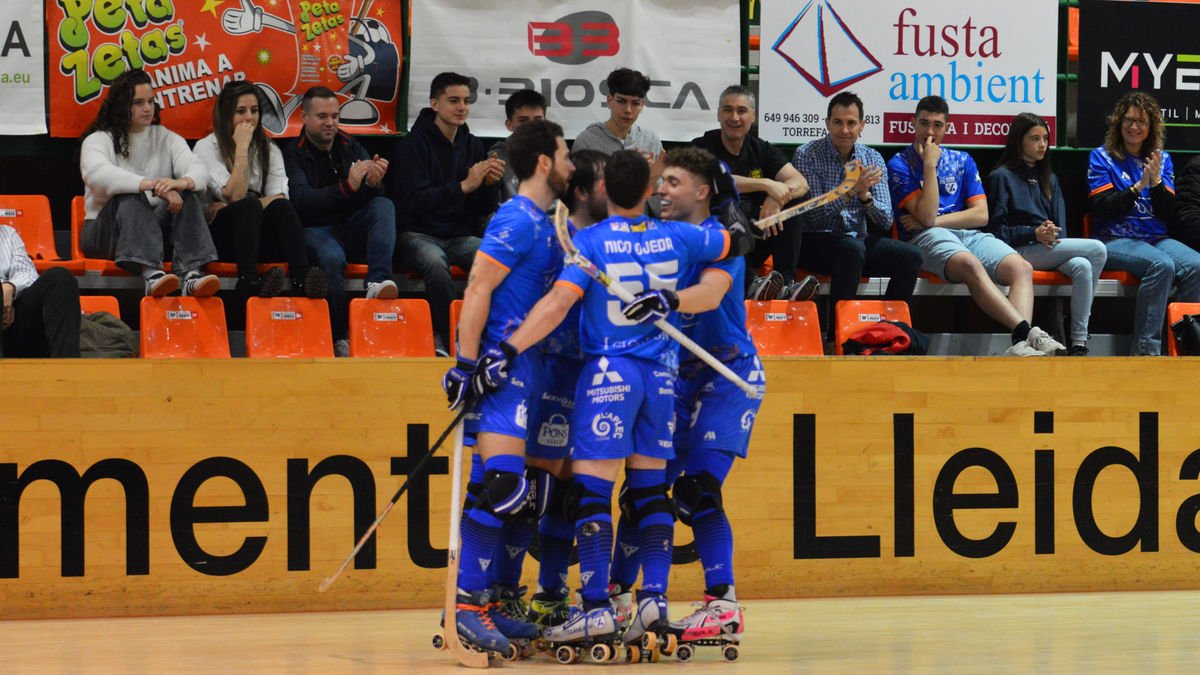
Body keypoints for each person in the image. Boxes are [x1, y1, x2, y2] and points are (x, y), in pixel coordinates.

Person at [490, 150, 755, 651]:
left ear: (606, 188)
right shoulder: (677, 236)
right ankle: (652, 598)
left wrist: (507, 348)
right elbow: (736, 237)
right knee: (649, 493)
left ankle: (594, 608)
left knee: (592, 495)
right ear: (648, 189)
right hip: (663, 378)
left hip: (608, 375)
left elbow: (557, 304)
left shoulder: (588, 241)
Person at [438, 119, 574, 655]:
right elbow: (477, 285)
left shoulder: (548, 222)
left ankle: (492, 598)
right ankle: (467, 605)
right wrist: (465, 363)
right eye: (564, 156)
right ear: (543, 162)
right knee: (500, 490)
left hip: (536, 370)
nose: (569, 165)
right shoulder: (515, 218)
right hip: (504, 371)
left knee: (527, 498)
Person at [648, 147, 764, 647]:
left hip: (728, 372)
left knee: (697, 492)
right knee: (645, 494)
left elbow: (710, 296)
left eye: (672, 182)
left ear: (700, 192)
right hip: (677, 374)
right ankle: (627, 600)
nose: (661, 190)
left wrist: (669, 299)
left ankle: (722, 603)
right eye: (660, 182)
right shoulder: (655, 239)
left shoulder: (724, 245)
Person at [887, 95, 1064, 357]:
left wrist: (934, 219)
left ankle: (1020, 346)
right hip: (924, 237)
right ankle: (1027, 332)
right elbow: (924, 217)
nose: (929, 131)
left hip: (967, 233)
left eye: (937, 125)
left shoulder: (962, 160)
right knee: (970, 264)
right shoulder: (899, 163)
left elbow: (981, 216)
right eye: (924, 123)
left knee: (1021, 268)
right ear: (913, 124)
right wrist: (928, 165)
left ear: (947, 127)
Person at [524, 149, 609, 630]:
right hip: (556, 367)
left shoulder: (605, 237)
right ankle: (501, 592)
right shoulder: (559, 236)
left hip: (595, 373)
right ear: (580, 190)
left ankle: (551, 594)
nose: (610, 191)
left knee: (573, 491)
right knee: (538, 484)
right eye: (602, 183)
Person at [792, 91, 923, 339]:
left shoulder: (872, 158)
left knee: (911, 256)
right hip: (815, 243)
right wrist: (850, 191)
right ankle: (839, 339)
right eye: (838, 122)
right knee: (851, 249)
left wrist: (865, 196)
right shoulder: (807, 154)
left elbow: (885, 220)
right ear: (827, 123)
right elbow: (813, 217)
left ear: (862, 125)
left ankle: (889, 333)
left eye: (851, 123)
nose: (844, 129)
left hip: (857, 242)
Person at [80, 69, 220, 298]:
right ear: (122, 106)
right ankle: (151, 275)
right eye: (138, 102)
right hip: (103, 232)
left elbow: (200, 170)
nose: (147, 108)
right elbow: (98, 176)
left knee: (189, 194)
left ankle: (192, 276)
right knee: (129, 193)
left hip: (153, 231)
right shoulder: (99, 139)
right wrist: (152, 185)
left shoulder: (165, 136)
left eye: (151, 101)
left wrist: (181, 183)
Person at [394, 72, 503, 356]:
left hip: (459, 234)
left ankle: (494, 335)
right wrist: (463, 186)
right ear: (434, 104)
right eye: (453, 100)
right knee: (435, 266)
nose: (462, 107)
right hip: (417, 233)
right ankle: (447, 337)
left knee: (494, 260)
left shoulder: (474, 145)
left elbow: (479, 207)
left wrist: (488, 187)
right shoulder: (412, 145)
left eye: (466, 101)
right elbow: (412, 202)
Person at [283, 86, 397, 357]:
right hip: (313, 230)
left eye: (335, 116)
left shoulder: (350, 144)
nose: (331, 123)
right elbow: (300, 202)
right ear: (305, 117)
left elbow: (369, 196)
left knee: (383, 204)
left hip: (350, 227)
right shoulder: (292, 153)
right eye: (322, 116)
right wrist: (348, 186)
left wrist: (373, 183)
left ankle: (377, 283)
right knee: (331, 258)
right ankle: (337, 336)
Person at [1087, 91, 1200, 355]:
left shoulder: (1162, 159)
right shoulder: (1101, 157)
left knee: (1196, 265)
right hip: (1112, 239)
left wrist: (1157, 182)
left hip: (1156, 238)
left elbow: (1169, 212)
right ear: (1118, 123)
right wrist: (1139, 186)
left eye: (1141, 122)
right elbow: (1104, 208)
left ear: (1151, 128)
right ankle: (1146, 351)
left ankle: (1186, 346)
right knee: (1161, 265)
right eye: (1129, 120)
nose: (1134, 127)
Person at [194, 80, 327, 302]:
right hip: (220, 239)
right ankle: (247, 280)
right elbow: (235, 195)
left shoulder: (268, 148)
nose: (249, 118)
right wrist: (243, 148)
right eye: (241, 111)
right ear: (226, 115)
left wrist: (239, 204)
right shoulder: (206, 147)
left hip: (255, 234)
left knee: (280, 208)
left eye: (254, 111)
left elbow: (280, 197)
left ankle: (302, 278)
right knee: (249, 205)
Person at [988, 113, 1107, 356]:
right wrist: (1033, 233)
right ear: (1019, 140)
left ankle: (1078, 342)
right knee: (1097, 249)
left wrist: (1049, 234)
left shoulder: (1049, 178)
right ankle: (1062, 331)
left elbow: (1061, 231)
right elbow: (996, 233)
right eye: (1035, 138)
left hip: (1050, 249)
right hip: (1017, 252)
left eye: (1045, 138)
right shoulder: (1001, 176)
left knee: (1083, 265)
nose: (1042, 144)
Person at [696, 85, 818, 301]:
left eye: (742, 111)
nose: (734, 117)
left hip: (758, 235)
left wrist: (777, 198)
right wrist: (766, 184)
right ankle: (751, 283)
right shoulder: (703, 146)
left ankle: (787, 284)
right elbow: (715, 178)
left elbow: (800, 183)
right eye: (728, 110)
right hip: (719, 243)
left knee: (795, 198)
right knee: (725, 200)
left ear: (753, 116)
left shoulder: (762, 148)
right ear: (718, 114)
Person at [1, 227, 80, 358]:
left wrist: (10, 288)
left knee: (59, 278)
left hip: (13, 322)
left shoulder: (8, 233)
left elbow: (27, 273)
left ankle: (66, 368)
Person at [488, 90, 548, 204]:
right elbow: (489, 212)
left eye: (538, 120)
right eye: (523, 121)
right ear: (509, 125)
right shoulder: (496, 159)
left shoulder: (557, 154)